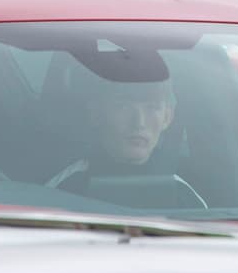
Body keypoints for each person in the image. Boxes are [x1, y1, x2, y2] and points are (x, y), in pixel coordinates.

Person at [48, 76, 206, 207]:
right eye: (123, 106)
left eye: (152, 108)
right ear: (96, 113)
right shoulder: (64, 189)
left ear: (167, 118)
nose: (139, 122)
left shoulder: (185, 197)